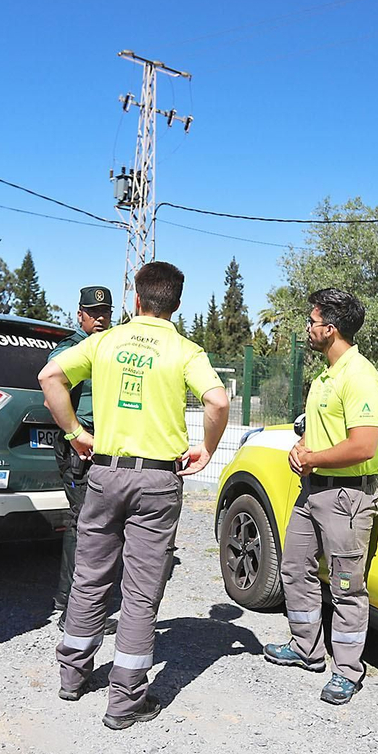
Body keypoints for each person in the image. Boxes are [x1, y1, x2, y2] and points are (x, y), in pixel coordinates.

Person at [40, 261, 229, 729]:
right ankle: (126, 700)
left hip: (104, 472)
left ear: (136, 300)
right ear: (177, 304)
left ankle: (73, 674)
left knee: (89, 575)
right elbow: (218, 401)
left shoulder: (104, 341)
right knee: (140, 591)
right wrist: (207, 448)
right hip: (158, 480)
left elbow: (50, 378)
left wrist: (75, 432)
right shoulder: (186, 350)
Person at [264, 287, 378, 705]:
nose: (308, 329)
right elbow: (322, 435)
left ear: (330, 329)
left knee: (347, 585)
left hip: (347, 497)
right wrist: (303, 450)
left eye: (312, 323)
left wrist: (313, 456)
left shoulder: (359, 376)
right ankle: (306, 649)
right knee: (295, 568)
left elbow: (364, 445)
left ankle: (348, 671)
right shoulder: (325, 377)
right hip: (313, 491)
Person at [50, 285, 119, 629]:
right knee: (84, 528)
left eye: (106, 312)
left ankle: (70, 602)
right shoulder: (71, 349)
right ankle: (72, 612)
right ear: (81, 315)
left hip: (102, 449)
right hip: (80, 451)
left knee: (90, 527)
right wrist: (77, 434)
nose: (101, 318)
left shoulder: (109, 347)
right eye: (94, 313)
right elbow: (51, 394)